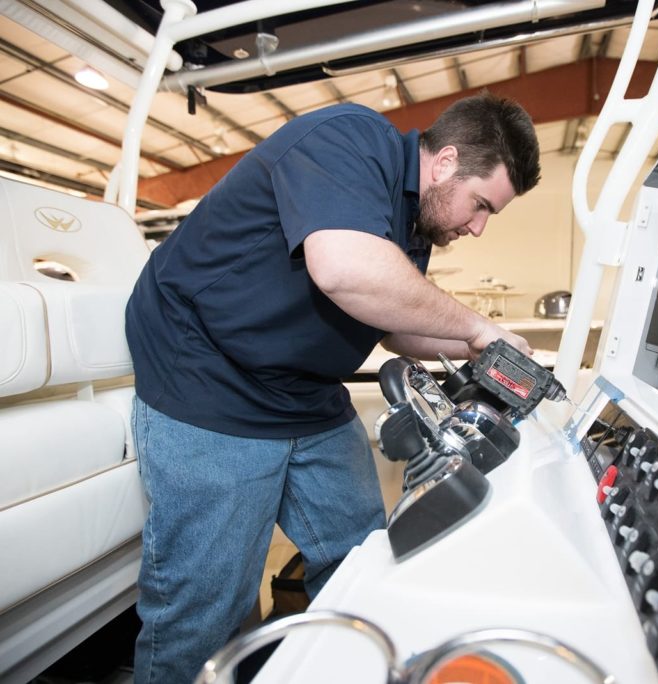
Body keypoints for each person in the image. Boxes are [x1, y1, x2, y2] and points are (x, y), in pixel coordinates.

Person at [125, 91, 541, 683]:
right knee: (208, 606)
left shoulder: (417, 219)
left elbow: (397, 323)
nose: (476, 227)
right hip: (209, 378)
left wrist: (486, 348)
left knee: (362, 561)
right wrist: (475, 324)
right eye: (480, 206)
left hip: (303, 391)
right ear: (445, 162)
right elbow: (343, 269)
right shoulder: (348, 139)